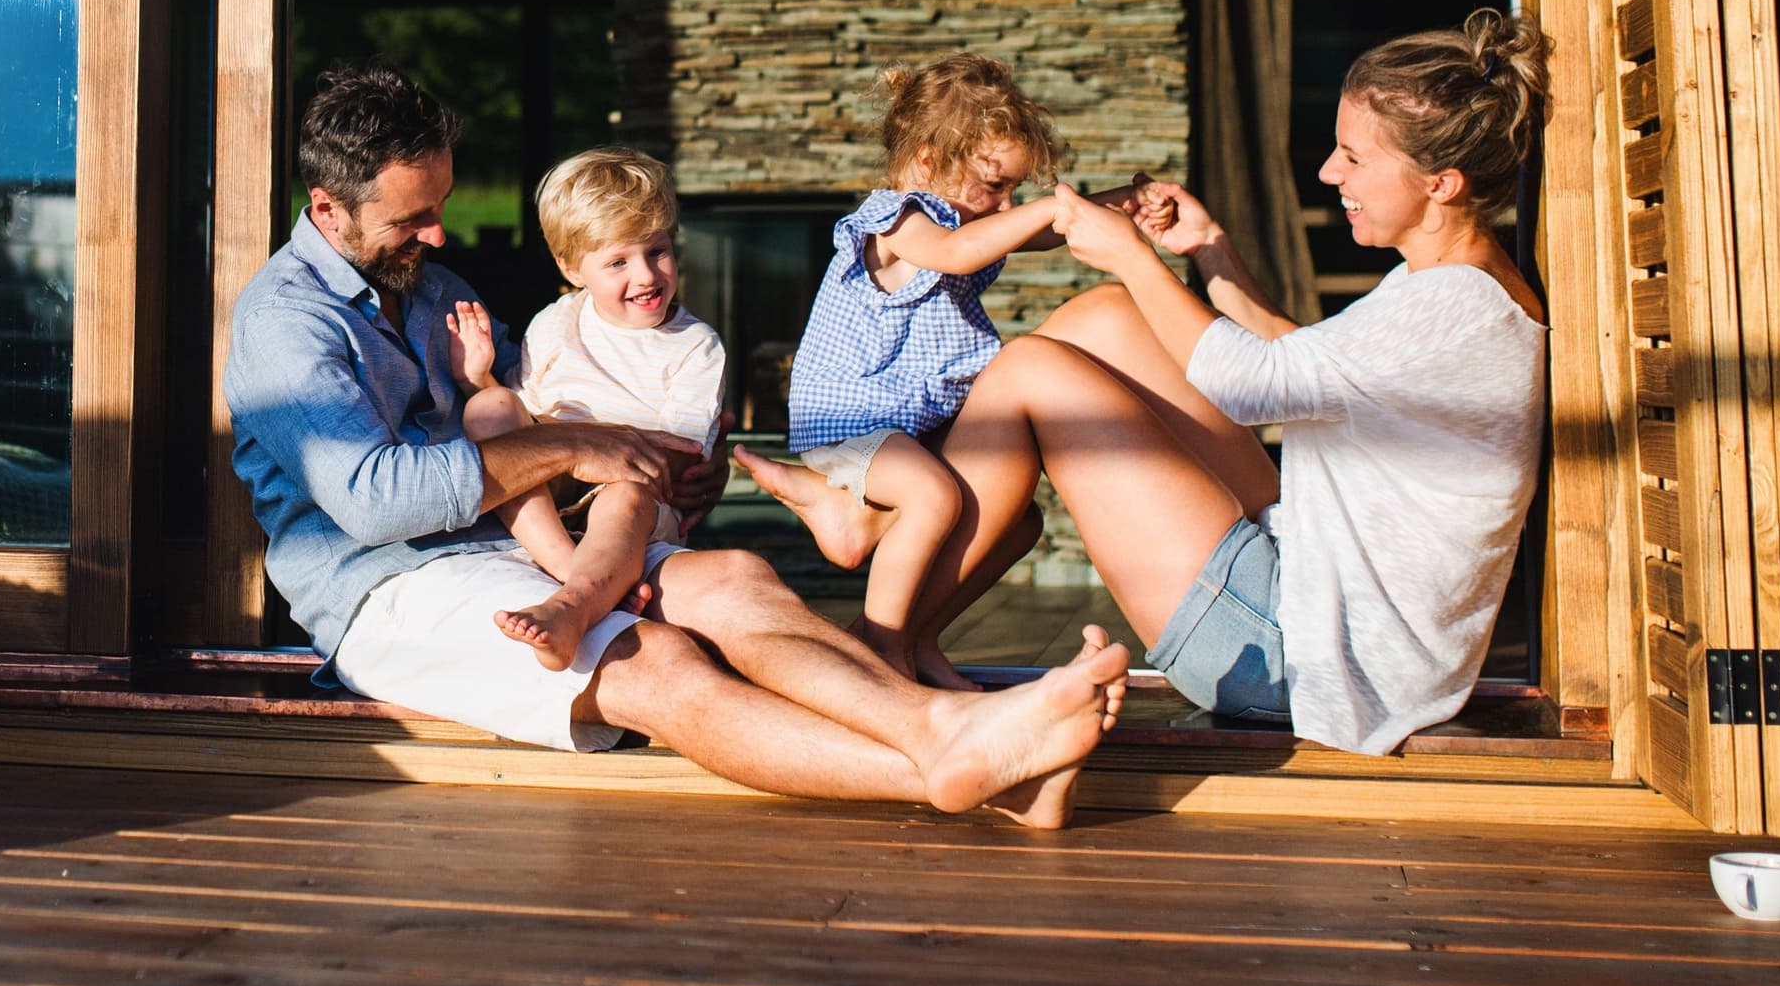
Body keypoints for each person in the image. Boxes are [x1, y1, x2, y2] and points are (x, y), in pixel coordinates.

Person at [224, 62, 1128, 827]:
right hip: (391, 586)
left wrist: (663, 471)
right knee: (654, 660)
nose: (440, 234)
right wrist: (585, 445)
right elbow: (380, 501)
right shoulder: (283, 323)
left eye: (442, 206)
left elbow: (538, 394)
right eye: (412, 219)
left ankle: (966, 738)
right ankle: (956, 765)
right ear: (328, 209)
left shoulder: (423, 281)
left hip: (516, 545)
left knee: (737, 579)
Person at [896, 9, 1552, 754]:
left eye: (1353, 157)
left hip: (1299, 657)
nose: (1329, 173)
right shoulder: (1452, 284)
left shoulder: (1449, 308)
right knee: (1104, 319)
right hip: (1306, 583)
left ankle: (891, 603)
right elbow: (1301, 367)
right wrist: (1206, 250)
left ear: (1442, 183)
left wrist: (1134, 257)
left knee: (1030, 370)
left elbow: (1255, 385)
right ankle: (913, 573)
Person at [734, 54, 1136, 687]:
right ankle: (884, 650)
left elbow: (1043, 234)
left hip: (909, 424)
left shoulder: (968, 218)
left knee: (1017, 520)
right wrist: (1048, 208)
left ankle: (919, 640)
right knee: (934, 496)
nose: (1006, 203)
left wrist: (1124, 204)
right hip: (853, 419)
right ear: (928, 161)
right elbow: (954, 253)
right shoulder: (895, 220)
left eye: (1015, 190)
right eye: (996, 184)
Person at [446, 147, 727, 673]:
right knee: (489, 407)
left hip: (633, 496)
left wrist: (578, 444)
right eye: (618, 261)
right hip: (552, 488)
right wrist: (477, 376)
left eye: (657, 251)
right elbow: (522, 419)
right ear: (572, 268)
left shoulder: (696, 345)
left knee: (624, 495)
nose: (646, 275)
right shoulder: (555, 323)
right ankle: (569, 567)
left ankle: (571, 608)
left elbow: (675, 457)